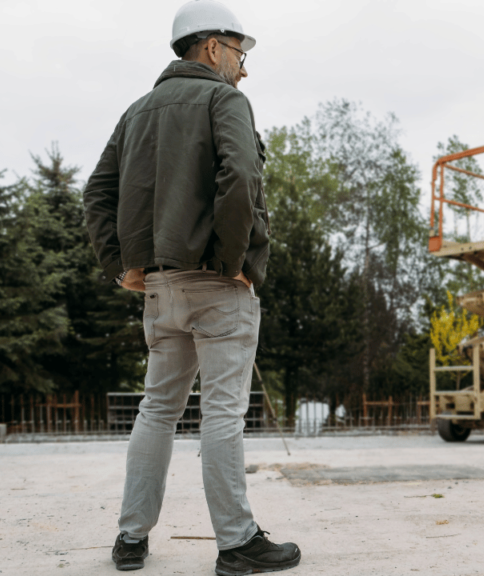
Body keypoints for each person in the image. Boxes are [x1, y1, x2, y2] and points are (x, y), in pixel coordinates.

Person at [83, 1, 300, 573]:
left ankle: (130, 540)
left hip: (160, 288)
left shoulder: (136, 112)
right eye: (240, 52)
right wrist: (232, 260)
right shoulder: (224, 100)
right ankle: (236, 543)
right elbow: (241, 176)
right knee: (222, 414)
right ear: (212, 47)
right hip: (216, 283)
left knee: (156, 409)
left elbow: (97, 192)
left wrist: (122, 265)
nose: (244, 67)